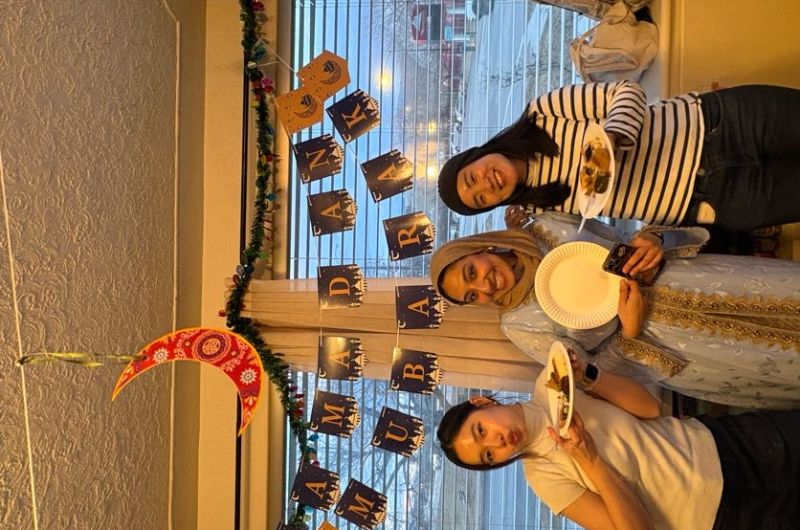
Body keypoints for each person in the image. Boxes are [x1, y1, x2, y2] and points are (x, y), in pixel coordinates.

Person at [429, 211, 800, 409]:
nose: (484, 286)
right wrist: (631, 331)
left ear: (480, 248)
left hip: (691, 282)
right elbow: (594, 372)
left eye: (471, 272)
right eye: (472, 296)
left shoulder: (547, 228)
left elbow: (624, 242)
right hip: (677, 346)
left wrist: (653, 239)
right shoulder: (519, 326)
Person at [437, 354, 800, 530]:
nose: (499, 442)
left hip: (721, 445)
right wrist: (591, 461)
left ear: (482, 403)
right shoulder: (543, 478)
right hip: (720, 520)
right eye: (488, 455)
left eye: (482, 430)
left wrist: (588, 376)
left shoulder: (553, 379)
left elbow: (649, 407)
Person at [437, 81, 800, 233]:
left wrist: (611, 138)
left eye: (473, 178)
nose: (487, 185)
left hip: (720, 124)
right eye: (481, 200)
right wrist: (521, 235)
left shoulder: (543, 113)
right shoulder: (540, 209)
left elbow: (626, 91)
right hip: (713, 202)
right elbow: (583, 246)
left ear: (476, 155)